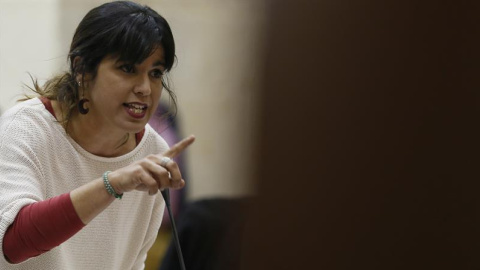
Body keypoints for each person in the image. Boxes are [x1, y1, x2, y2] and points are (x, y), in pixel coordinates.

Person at [0, 1, 194, 269]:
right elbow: (12, 243)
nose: (145, 88)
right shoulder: (25, 128)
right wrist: (112, 184)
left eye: (156, 73)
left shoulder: (153, 149)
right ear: (81, 70)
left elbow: (133, 261)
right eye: (128, 69)